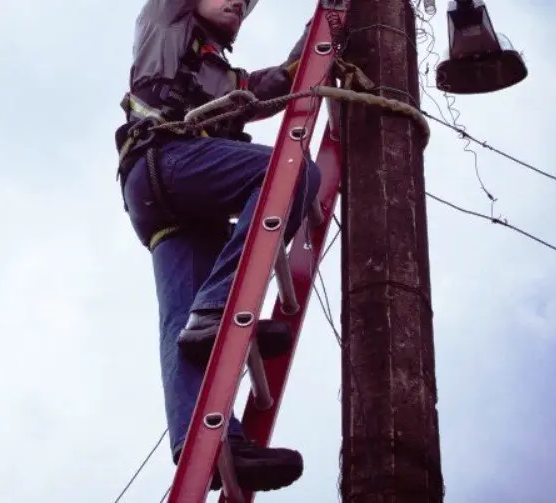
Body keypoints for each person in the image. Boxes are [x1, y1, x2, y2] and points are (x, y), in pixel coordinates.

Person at [114, 0, 320, 493]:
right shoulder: (166, 21)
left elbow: (285, 83)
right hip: (165, 160)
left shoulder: (223, 77)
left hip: (169, 203)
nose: (237, 3)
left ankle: (209, 444)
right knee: (289, 174)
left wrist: (327, 20)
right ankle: (220, 307)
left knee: (182, 323)